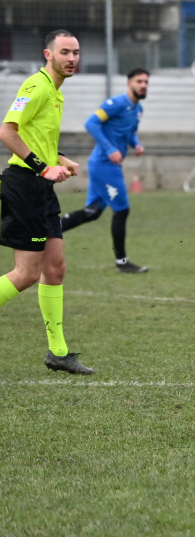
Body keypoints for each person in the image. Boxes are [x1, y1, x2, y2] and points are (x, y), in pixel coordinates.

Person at [0, 29, 94, 374]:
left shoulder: (55, 93)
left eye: (76, 52)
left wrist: (61, 159)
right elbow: (7, 131)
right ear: (48, 54)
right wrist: (43, 168)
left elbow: (37, 139)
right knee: (26, 274)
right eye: (65, 52)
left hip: (41, 189)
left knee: (55, 269)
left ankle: (58, 352)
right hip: (23, 185)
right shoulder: (36, 86)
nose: (71, 58)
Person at [60, 67, 150, 273]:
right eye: (139, 81)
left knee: (92, 212)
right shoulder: (116, 103)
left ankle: (47, 229)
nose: (143, 85)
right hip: (104, 164)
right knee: (122, 209)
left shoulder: (138, 110)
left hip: (108, 165)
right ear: (130, 83)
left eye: (146, 82)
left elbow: (130, 132)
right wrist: (110, 149)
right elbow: (91, 124)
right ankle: (122, 263)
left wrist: (136, 144)